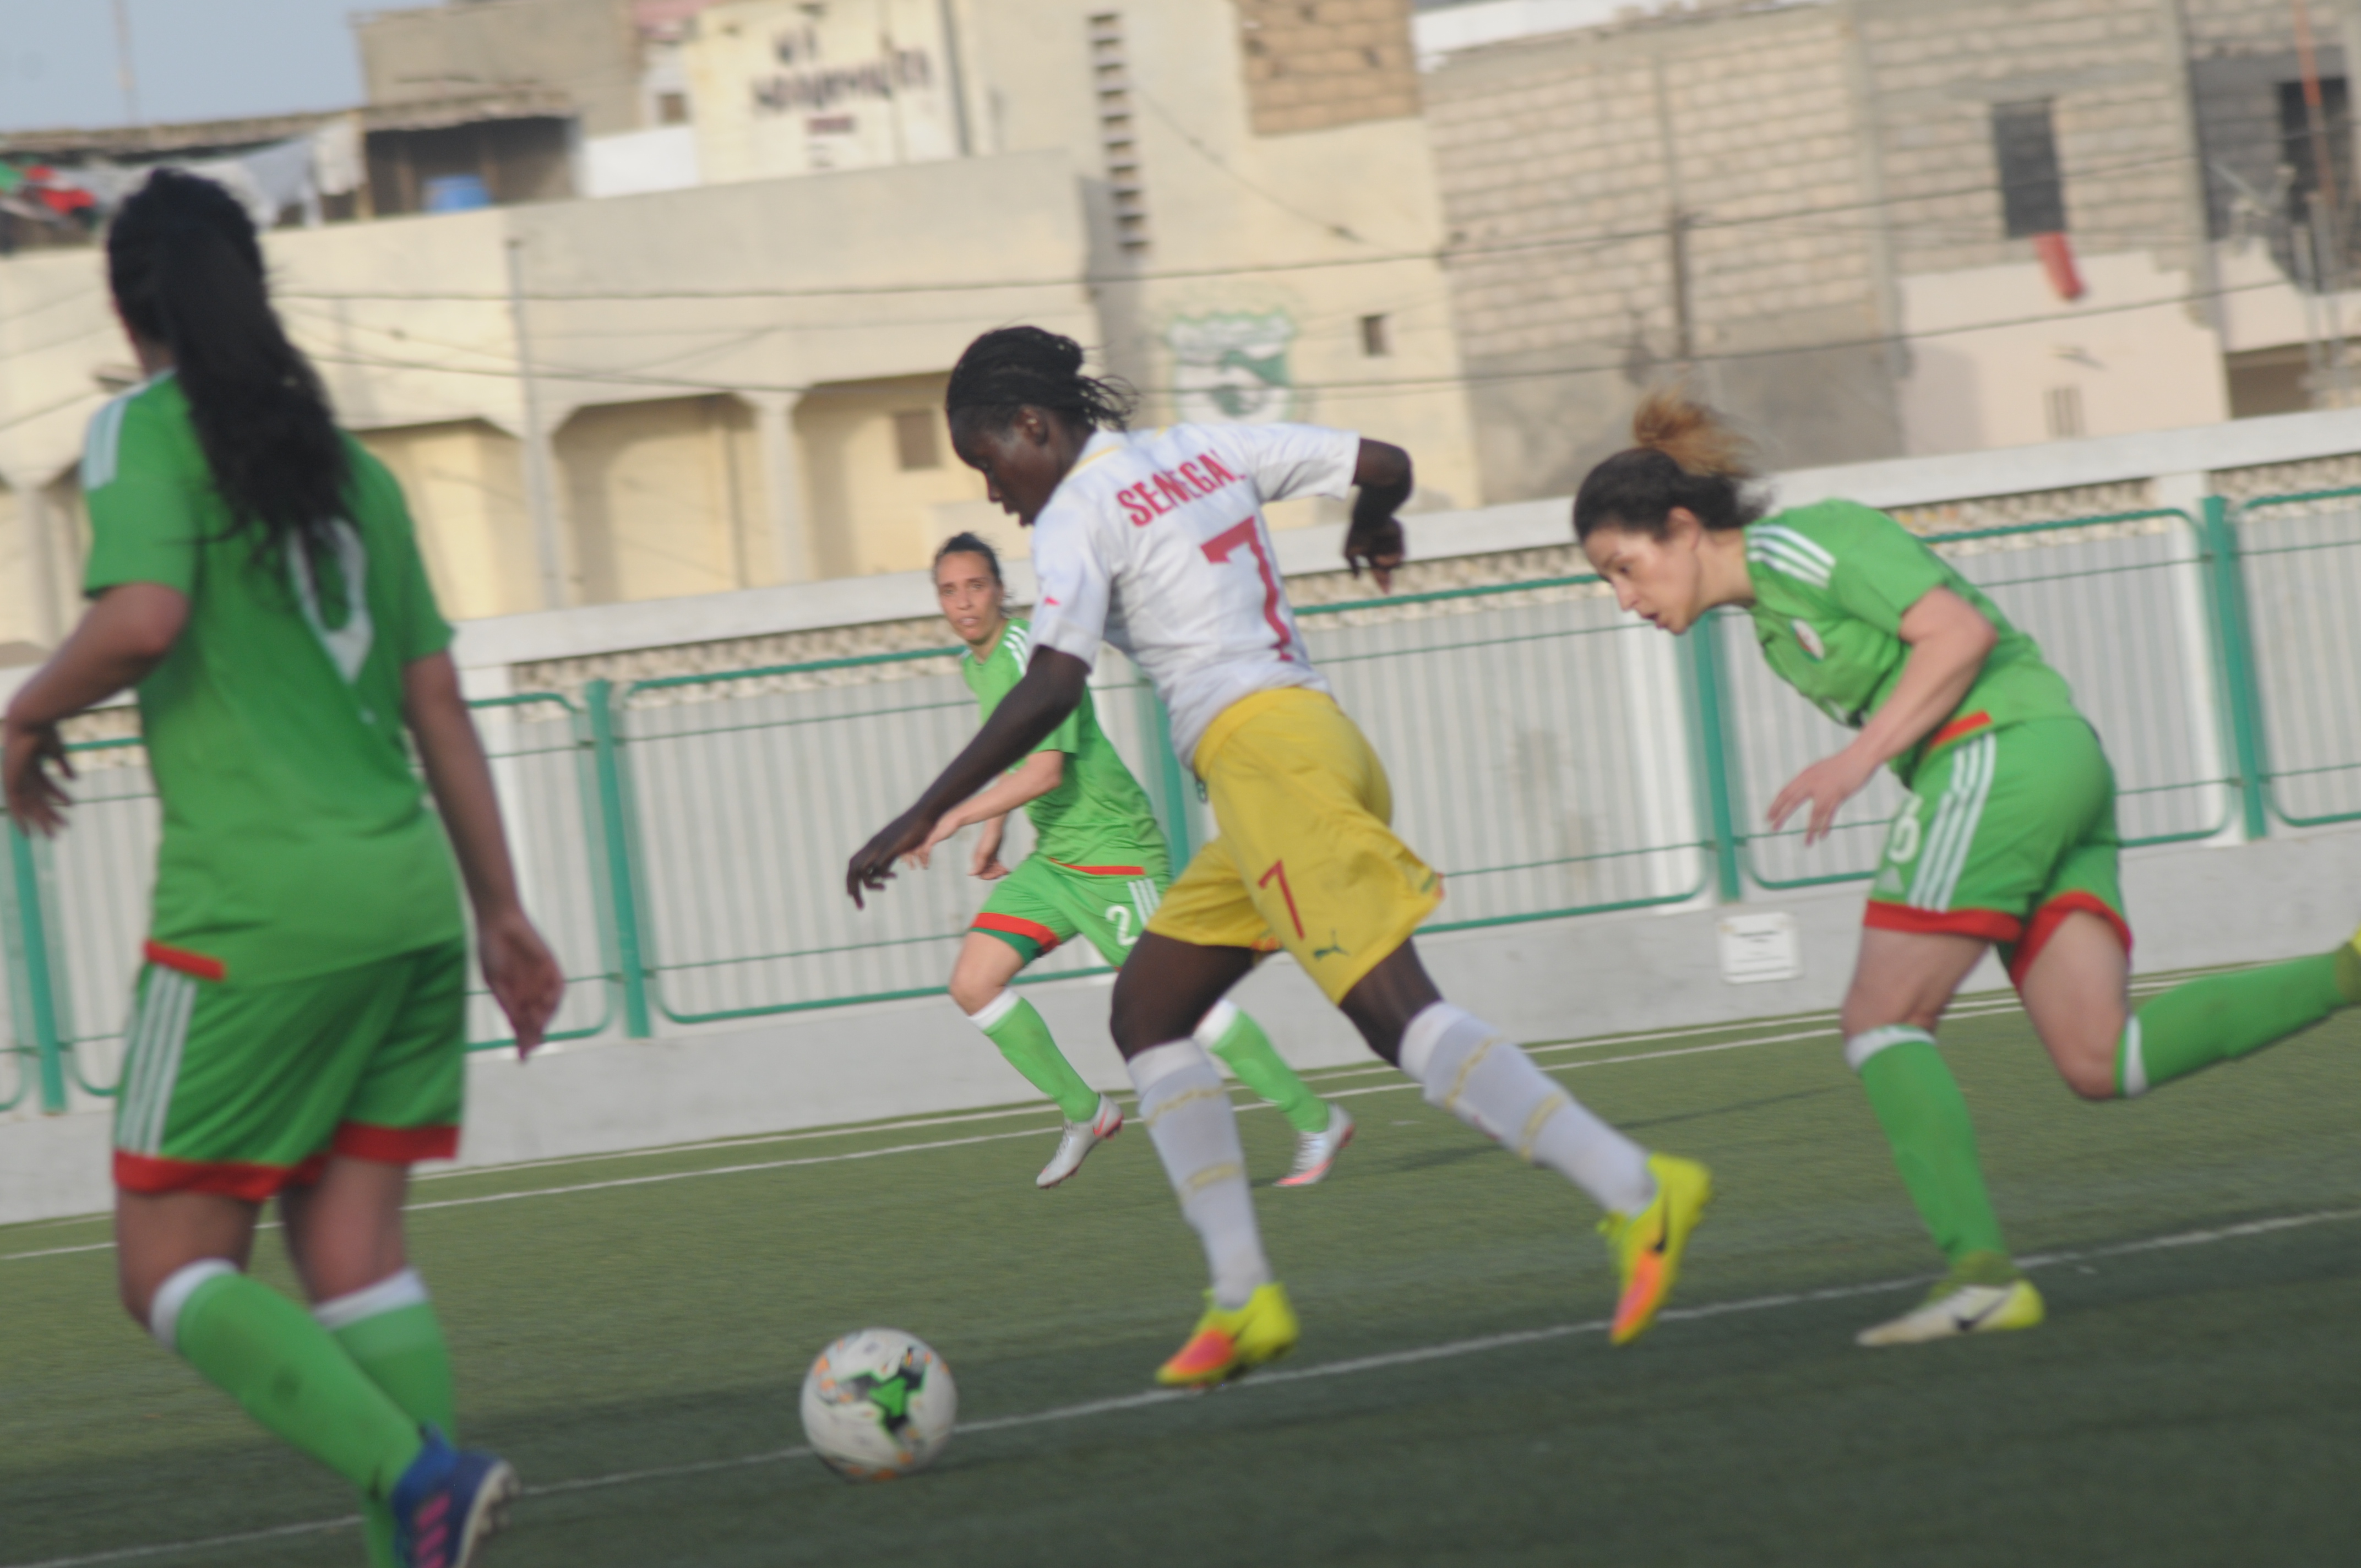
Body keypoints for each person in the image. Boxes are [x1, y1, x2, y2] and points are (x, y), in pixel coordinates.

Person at [848, 327, 1712, 1387]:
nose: (994, 493)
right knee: (1149, 1012)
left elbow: (1052, 685)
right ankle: (1241, 1292)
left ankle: (1636, 1187)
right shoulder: (1206, 448)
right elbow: (1385, 462)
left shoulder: (1078, 508)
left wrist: (919, 812)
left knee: (1396, 1014)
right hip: (1303, 748)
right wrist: (1373, 521)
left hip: (1267, 765)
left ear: (1035, 426)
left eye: (990, 465)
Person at [0, 170, 564, 1567]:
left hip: (254, 919)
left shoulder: (143, 427)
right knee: (354, 1252)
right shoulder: (350, 471)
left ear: (134, 314)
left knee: (164, 1263)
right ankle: (423, 1528)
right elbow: (437, 698)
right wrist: (501, 906)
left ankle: (414, 1473)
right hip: (407, 907)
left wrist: (19, 711)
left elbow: (141, 615)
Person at [1571, 389, 2361, 1347]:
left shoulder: (1805, 543)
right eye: (1608, 581)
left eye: (1625, 567)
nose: (1625, 597)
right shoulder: (1772, 621)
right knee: (2099, 1058)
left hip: (1998, 755)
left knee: (1878, 1019)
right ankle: (2347, 969)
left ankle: (1980, 1274)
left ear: (1685, 528)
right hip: (2047, 761)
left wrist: (1857, 761)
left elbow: (1957, 633)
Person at [913, 533, 1352, 1188]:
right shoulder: (973, 663)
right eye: (949, 590)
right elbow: (1007, 745)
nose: (964, 602)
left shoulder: (1028, 652)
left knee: (1183, 1003)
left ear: (1002, 589)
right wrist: (993, 831)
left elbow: (1045, 768)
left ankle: (1315, 1118)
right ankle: (1083, 1111)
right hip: (1058, 859)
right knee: (973, 984)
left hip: (1117, 855)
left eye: (975, 585)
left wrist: (956, 814)